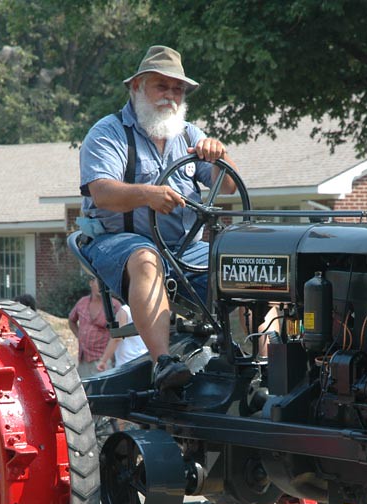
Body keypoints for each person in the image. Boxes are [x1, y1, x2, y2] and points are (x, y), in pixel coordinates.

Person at [79, 44, 239, 391]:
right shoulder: (108, 133)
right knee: (147, 259)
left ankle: (250, 356)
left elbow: (226, 187)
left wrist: (220, 155)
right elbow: (102, 193)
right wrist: (146, 194)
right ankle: (164, 362)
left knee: (240, 266)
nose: (171, 96)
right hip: (118, 243)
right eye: (161, 86)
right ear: (137, 87)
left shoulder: (190, 136)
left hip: (183, 249)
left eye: (177, 89)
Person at [68, 278, 121, 378]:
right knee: (83, 391)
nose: (102, 287)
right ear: (91, 283)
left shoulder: (114, 305)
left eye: (105, 283)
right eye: (99, 283)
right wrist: (79, 336)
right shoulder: (82, 302)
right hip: (83, 360)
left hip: (103, 361)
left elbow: (118, 335)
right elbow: (71, 320)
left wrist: (106, 360)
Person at [97, 304, 148, 371]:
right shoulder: (145, 308)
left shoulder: (124, 310)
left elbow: (117, 337)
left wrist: (103, 361)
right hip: (144, 358)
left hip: (127, 362)